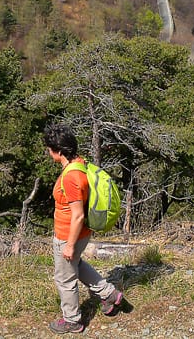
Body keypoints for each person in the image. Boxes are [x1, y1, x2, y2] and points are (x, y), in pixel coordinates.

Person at [43, 123, 124, 334]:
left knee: (65, 278)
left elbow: (77, 214)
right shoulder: (80, 164)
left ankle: (72, 320)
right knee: (76, 265)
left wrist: (68, 245)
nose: (48, 152)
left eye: (50, 148)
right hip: (81, 233)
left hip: (69, 234)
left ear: (59, 151)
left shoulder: (71, 177)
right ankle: (109, 294)